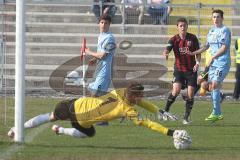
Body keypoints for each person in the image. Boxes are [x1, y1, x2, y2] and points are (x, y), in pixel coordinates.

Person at [7, 82, 190, 148]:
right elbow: (149, 124)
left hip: (75, 103)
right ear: (133, 95)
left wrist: (158, 110)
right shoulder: (127, 111)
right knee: (88, 133)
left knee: (50, 116)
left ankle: (17, 128)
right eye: (139, 95)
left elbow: (142, 103)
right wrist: (171, 132)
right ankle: (61, 130)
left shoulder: (120, 92)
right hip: (81, 120)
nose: (141, 98)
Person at [187, 9, 231, 122]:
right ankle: (218, 112)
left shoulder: (225, 30)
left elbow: (224, 48)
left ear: (222, 18)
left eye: (218, 17)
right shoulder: (211, 31)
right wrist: (194, 53)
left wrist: (213, 56)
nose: (216, 19)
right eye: (214, 17)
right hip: (212, 64)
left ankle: (216, 112)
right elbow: (206, 46)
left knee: (215, 84)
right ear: (212, 19)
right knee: (210, 86)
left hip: (222, 62)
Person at [161, 17, 201, 125]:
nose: (183, 27)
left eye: (184, 25)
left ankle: (186, 118)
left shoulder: (192, 38)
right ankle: (165, 111)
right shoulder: (174, 39)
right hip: (179, 69)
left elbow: (198, 53)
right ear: (177, 27)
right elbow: (167, 48)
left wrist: (197, 63)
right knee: (176, 90)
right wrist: (165, 53)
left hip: (191, 70)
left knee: (191, 93)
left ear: (187, 26)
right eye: (181, 26)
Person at [83, 14, 116, 125]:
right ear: (99, 23)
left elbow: (103, 56)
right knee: (94, 93)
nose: (103, 25)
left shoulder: (110, 38)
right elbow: (100, 54)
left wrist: (87, 51)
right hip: (99, 70)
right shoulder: (101, 36)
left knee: (97, 95)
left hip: (104, 72)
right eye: (102, 22)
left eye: (106, 23)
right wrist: (93, 58)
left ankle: (101, 118)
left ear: (109, 24)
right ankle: (102, 119)